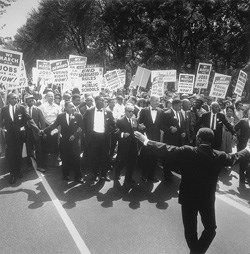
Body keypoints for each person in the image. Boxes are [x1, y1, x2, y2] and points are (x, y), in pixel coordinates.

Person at [134, 128, 250, 254]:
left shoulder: (187, 151)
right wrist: (248, 149)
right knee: (211, 229)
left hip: (188, 197)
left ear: (198, 139)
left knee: (190, 229)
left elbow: (165, 149)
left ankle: (195, 252)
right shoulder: (219, 155)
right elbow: (235, 158)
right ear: (211, 141)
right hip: (207, 199)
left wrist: (146, 141)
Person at [0, 93, 40, 184]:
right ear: (8, 99)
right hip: (9, 136)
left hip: (20, 136)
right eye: (13, 98)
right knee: (11, 155)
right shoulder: (4, 109)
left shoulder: (21, 108)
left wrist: (37, 129)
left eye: (16, 98)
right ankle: (12, 174)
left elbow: (29, 119)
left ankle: (18, 171)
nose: (15, 99)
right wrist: (2, 128)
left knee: (18, 154)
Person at [43, 101, 84, 183]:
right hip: (64, 142)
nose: (73, 108)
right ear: (65, 108)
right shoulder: (60, 116)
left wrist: (75, 135)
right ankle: (66, 175)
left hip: (75, 143)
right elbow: (54, 125)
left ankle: (78, 177)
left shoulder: (78, 116)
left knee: (77, 160)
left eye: (73, 106)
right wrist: (43, 131)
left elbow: (81, 127)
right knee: (65, 159)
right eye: (70, 107)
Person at [83, 96, 115, 181]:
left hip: (104, 137)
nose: (103, 102)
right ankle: (95, 174)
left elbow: (113, 123)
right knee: (95, 156)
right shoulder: (89, 111)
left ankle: (104, 174)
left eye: (104, 101)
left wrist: (110, 131)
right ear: (96, 101)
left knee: (105, 156)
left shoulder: (108, 112)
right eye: (101, 100)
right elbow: (84, 123)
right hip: (94, 137)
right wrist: (87, 134)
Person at [138, 95, 164, 182]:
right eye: (156, 100)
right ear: (151, 101)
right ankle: (144, 175)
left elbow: (162, 125)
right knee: (145, 156)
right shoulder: (144, 110)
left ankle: (152, 175)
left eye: (158, 100)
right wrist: (140, 126)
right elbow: (139, 122)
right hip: (146, 137)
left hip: (156, 138)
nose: (158, 102)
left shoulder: (161, 111)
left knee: (154, 157)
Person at [114, 103, 138, 183]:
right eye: (129, 111)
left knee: (132, 161)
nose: (131, 113)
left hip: (133, 144)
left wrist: (141, 129)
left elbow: (136, 130)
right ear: (125, 111)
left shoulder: (135, 119)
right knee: (123, 161)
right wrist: (123, 134)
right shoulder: (120, 121)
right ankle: (117, 172)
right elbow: (116, 132)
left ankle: (128, 177)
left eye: (132, 111)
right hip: (124, 145)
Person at [25, 94, 46, 172]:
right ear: (26, 102)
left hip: (36, 133)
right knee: (28, 149)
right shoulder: (24, 110)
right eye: (29, 100)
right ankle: (29, 165)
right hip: (27, 133)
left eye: (32, 100)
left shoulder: (38, 109)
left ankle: (40, 165)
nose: (31, 102)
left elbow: (42, 122)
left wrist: (43, 132)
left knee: (39, 149)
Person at [234, 108, 250, 184]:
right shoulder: (243, 121)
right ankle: (242, 178)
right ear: (248, 113)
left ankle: (248, 176)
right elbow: (234, 129)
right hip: (242, 145)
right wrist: (236, 137)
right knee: (243, 162)